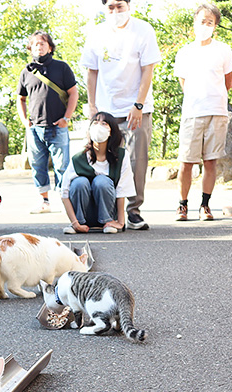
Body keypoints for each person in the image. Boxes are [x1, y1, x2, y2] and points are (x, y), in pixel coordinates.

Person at [80, 0, 160, 230]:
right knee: (104, 160)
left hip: (136, 108)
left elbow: (148, 70)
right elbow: (91, 71)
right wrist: (92, 106)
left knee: (136, 161)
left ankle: (133, 211)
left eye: (120, 6)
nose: (115, 12)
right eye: (111, 7)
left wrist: (139, 104)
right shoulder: (97, 33)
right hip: (106, 110)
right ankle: (108, 212)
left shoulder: (143, 30)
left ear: (129, 5)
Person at [172, 2, 232, 222]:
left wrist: (214, 97)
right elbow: (183, 81)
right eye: (202, 21)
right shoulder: (185, 51)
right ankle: (182, 205)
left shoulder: (223, 49)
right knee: (186, 162)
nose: (205, 25)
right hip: (192, 112)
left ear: (215, 25)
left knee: (211, 161)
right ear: (195, 23)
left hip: (217, 112)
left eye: (210, 22)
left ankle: (205, 205)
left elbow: (228, 81)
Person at [17, 31, 79, 214]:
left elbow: (73, 93)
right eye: (35, 44)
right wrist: (24, 120)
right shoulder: (26, 71)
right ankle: (44, 201)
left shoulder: (62, 68)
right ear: (30, 48)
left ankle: (63, 200)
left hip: (57, 126)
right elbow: (20, 98)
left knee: (62, 166)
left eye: (43, 43)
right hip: (35, 127)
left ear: (50, 47)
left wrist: (66, 118)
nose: (39, 46)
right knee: (37, 165)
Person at [59, 112, 135, 235]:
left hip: (108, 211)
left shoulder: (121, 156)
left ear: (112, 131)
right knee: (79, 182)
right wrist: (74, 223)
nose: (99, 126)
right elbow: (64, 192)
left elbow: (122, 190)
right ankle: (80, 222)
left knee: (102, 181)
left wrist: (121, 222)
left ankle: (107, 221)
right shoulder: (79, 157)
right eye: (95, 122)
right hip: (82, 215)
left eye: (104, 123)